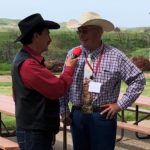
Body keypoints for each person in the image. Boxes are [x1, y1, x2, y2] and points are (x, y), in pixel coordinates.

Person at [60, 15, 146, 150]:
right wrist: (64, 110)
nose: (81, 35)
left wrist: (119, 105)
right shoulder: (73, 54)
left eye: (85, 30)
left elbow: (138, 79)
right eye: (79, 31)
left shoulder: (115, 55)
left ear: (99, 32)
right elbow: (64, 83)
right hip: (77, 115)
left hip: (102, 115)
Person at [11, 13, 77, 150]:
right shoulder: (29, 65)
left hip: (34, 130)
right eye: (47, 34)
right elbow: (58, 89)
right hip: (34, 133)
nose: (50, 39)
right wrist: (69, 69)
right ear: (36, 36)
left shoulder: (27, 60)